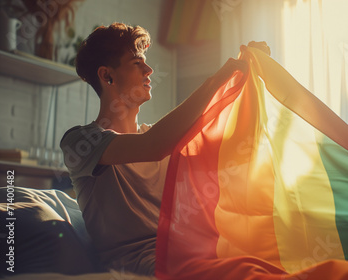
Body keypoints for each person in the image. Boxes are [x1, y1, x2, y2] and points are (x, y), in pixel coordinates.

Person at [60, 22, 268, 275]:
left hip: (190, 251)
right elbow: (155, 146)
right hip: (141, 263)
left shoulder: (158, 135)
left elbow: (225, 141)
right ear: (107, 76)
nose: (149, 70)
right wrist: (219, 78)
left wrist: (246, 72)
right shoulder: (80, 141)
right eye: (137, 63)